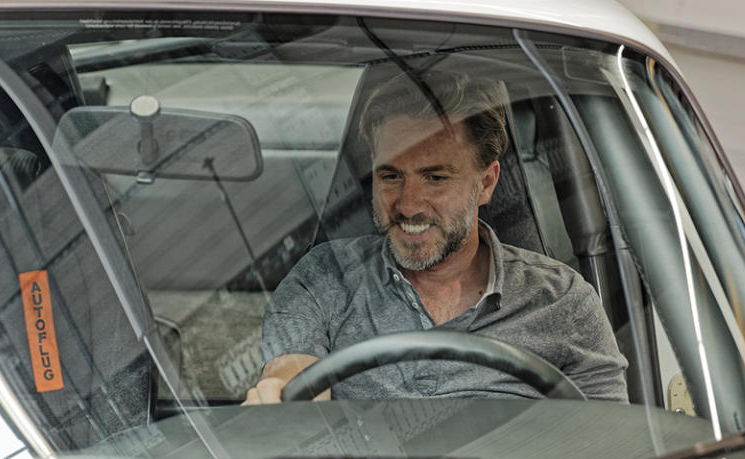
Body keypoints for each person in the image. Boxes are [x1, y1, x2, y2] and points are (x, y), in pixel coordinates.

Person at [242, 71, 627, 405]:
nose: (408, 206)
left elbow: (613, 451)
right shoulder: (326, 278)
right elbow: (292, 368)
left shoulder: (562, 302)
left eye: (436, 178)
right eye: (390, 176)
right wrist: (280, 392)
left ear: (486, 183)